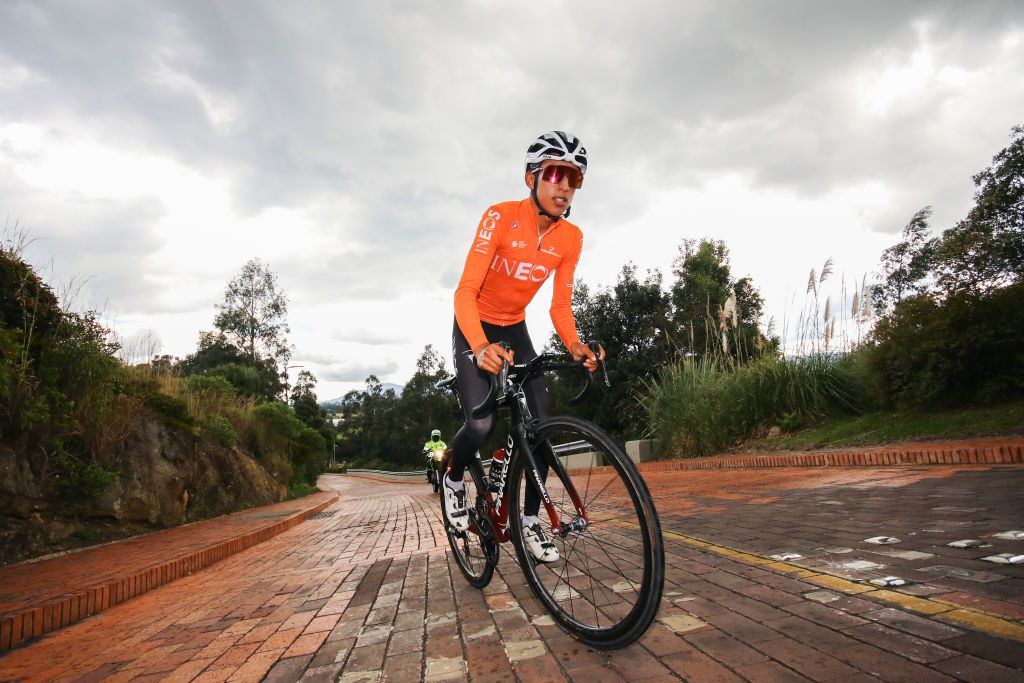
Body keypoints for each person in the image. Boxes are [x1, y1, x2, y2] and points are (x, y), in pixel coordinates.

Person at [444, 131, 604, 563]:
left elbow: (559, 306)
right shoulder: (499, 217)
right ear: (531, 177)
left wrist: (574, 344)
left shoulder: (571, 237)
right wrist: (478, 346)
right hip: (475, 323)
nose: (564, 186)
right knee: (479, 426)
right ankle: (454, 479)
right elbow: (464, 293)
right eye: (555, 174)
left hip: (515, 327)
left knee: (542, 428)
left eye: (574, 178)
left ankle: (530, 519)